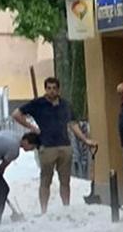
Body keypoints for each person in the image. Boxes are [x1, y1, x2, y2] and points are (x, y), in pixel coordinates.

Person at [13, 77, 97, 212]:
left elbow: (73, 124)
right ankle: (44, 211)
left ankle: (66, 208)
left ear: (58, 90)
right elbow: (16, 114)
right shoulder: (37, 103)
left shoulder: (65, 105)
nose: (51, 91)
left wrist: (85, 139)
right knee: (46, 181)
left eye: (54, 88)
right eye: (49, 88)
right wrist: (32, 127)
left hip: (65, 146)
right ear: (45, 89)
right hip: (47, 147)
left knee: (65, 181)